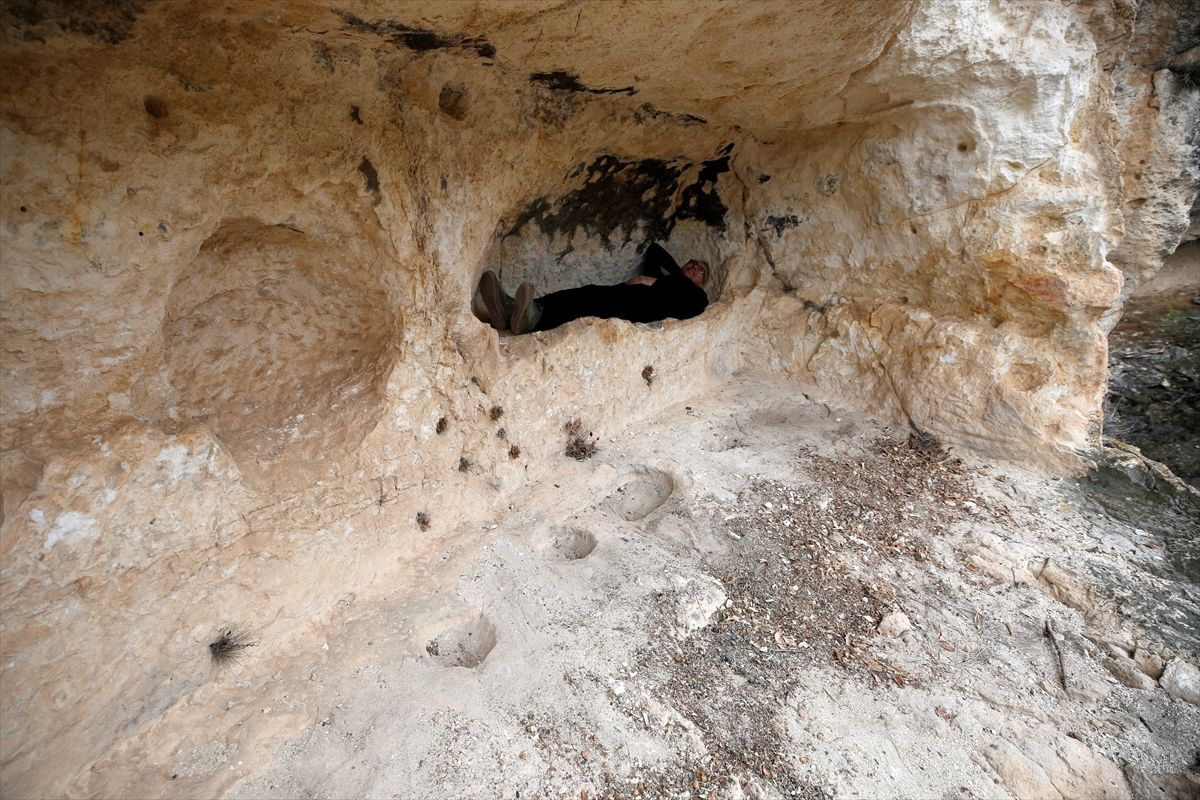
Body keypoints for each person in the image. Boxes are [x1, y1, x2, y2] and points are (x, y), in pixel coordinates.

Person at [479, 243, 709, 334]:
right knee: (580, 294)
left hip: (632, 311)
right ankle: (511, 311)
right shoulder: (668, 276)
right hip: (619, 295)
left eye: (701, 271)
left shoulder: (698, 297)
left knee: (581, 307)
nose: (695, 267)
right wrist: (677, 273)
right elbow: (655, 250)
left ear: (701, 283)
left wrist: (653, 282)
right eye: (693, 263)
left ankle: (530, 321)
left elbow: (692, 304)